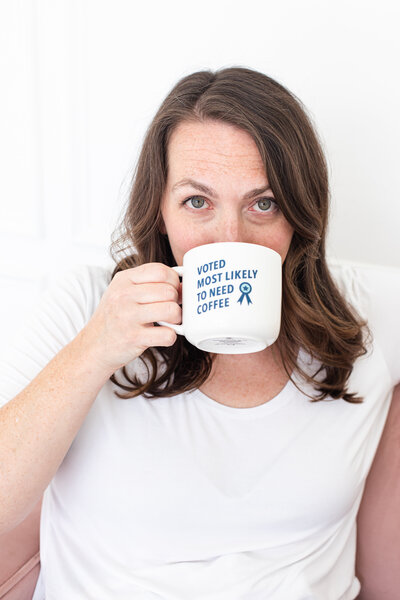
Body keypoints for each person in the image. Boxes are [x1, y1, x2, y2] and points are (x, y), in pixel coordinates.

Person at [0, 66, 399, 600]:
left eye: (264, 203)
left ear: (301, 213)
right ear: (160, 210)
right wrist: (98, 348)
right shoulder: (86, 305)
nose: (230, 238)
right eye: (197, 202)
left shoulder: (367, 310)